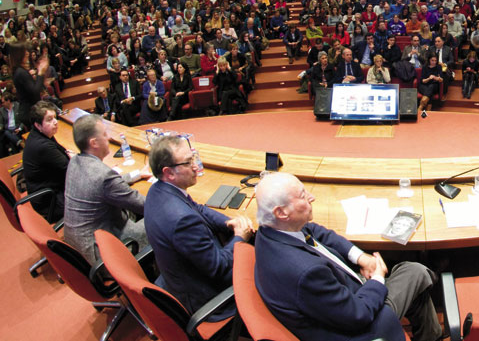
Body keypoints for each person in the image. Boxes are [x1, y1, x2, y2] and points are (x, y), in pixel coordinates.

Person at [253, 172, 441, 341]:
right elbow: (358, 315)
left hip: (339, 299)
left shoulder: (271, 231)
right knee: (416, 272)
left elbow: (318, 231)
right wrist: (377, 278)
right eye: (303, 196)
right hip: (360, 329)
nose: (312, 197)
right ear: (281, 212)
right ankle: (435, 280)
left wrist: (361, 258)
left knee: (415, 284)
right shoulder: (306, 272)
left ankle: (431, 336)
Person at [144, 135, 254, 320]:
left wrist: (228, 222)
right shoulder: (182, 221)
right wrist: (240, 237)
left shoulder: (159, 190)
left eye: (193, 157)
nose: (196, 166)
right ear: (169, 172)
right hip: (205, 296)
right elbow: (218, 267)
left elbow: (197, 207)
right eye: (188, 162)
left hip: (180, 276)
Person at [64, 114, 151, 264]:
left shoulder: (75, 161)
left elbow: (104, 185)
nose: (109, 138)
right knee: (162, 220)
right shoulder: (103, 176)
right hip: (101, 254)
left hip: (80, 246)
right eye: (105, 134)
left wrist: (136, 174)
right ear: (94, 143)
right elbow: (144, 205)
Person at [22, 102, 72, 221]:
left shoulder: (39, 134)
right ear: (38, 125)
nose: (55, 122)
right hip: (50, 201)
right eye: (49, 119)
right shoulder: (42, 146)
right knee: (94, 194)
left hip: (50, 190)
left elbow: (63, 153)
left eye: (55, 117)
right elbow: (71, 168)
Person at [10, 41, 49, 117]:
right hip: (29, 111)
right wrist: (41, 72)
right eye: (24, 51)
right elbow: (35, 91)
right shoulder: (21, 72)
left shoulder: (19, 70)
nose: (27, 53)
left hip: (29, 109)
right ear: (19, 55)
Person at [1, 91, 26, 156]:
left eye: (3, 102)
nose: (2, 104)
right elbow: (1, 123)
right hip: (8, 130)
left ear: (8, 101)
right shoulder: (1, 110)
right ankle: (20, 143)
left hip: (17, 128)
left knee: (11, 138)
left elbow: (23, 119)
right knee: (6, 133)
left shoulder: (18, 106)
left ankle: (17, 154)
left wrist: (20, 128)